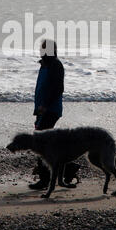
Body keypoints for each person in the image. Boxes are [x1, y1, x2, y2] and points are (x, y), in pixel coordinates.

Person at [29, 39, 80, 190]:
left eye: (45, 48)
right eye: (41, 48)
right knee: (47, 144)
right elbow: (41, 88)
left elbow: (58, 89)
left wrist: (45, 106)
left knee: (41, 143)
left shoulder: (55, 65)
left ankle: (44, 179)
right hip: (42, 109)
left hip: (51, 110)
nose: (42, 51)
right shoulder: (44, 65)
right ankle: (69, 168)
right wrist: (38, 109)